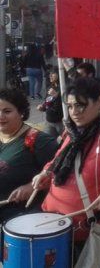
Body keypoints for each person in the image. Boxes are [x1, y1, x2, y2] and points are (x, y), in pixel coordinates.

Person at [27, 77, 100, 260]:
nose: (74, 112)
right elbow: (59, 158)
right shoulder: (73, 132)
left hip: (90, 232)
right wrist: (46, 173)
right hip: (53, 224)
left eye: (80, 105)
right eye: (70, 106)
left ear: (99, 102)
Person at [2, 88, 58, 222]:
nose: (1, 116)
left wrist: (31, 187)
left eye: (7, 111)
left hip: (20, 218)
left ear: (21, 112)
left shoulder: (38, 140)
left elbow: (61, 174)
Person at [37, 70, 64, 138]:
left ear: (60, 73)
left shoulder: (64, 87)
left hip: (62, 122)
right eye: (50, 74)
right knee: (47, 142)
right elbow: (47, 102)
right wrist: (42, 107)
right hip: (50, 121)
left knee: (68, 144)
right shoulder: (50, 87)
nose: (50, 76)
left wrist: (57, 96)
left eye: (53, 73)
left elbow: (66, 104)